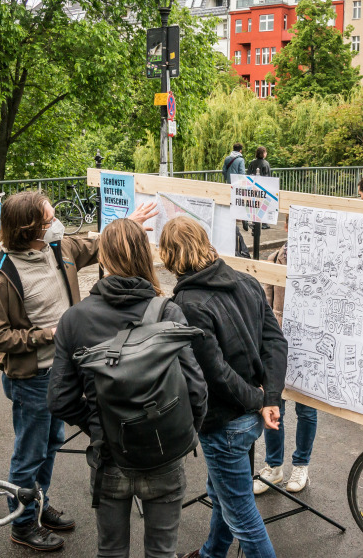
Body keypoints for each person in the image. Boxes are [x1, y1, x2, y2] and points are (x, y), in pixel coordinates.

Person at [0, 191, 156, 551]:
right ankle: (23, 523)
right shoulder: (3, 274)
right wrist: (49, 334)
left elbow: (97, 245)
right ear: (29, 227)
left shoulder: (58, 249)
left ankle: (38, 506)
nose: (56, 223)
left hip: (62, 370)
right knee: (29, 453)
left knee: (51, 444)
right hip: (31, 378)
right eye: (49, 219)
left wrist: (130, 225)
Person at [47, 218, 207, 558]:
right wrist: (181, 431)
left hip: (109, 456)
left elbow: (59, 399)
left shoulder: (74, 318)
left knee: (111, 552)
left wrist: (97, 425)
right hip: (164, 454)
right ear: (145, 257)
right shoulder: (168, 312)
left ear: (103, 258)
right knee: (162, 552)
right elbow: (197, 390)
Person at [160, 217, 287, 558]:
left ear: (169, 254)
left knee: (241, 513)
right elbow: (275, 342)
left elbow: (214, 373)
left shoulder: (188, 303)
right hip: (248, 416)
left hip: (226, 421)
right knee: (223, 493)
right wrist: (268, 397)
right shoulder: (245, 281)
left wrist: (261, 399)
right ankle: (212, 552)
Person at [254, 215, 317, 496]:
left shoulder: (320, 262)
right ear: (288, 227)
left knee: (306, 408)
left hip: (309, 347)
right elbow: (264, 308)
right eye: (296, 224)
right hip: (278, 347)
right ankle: (273, 465)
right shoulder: (273, 260)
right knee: (273, 402)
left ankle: (301, 464)